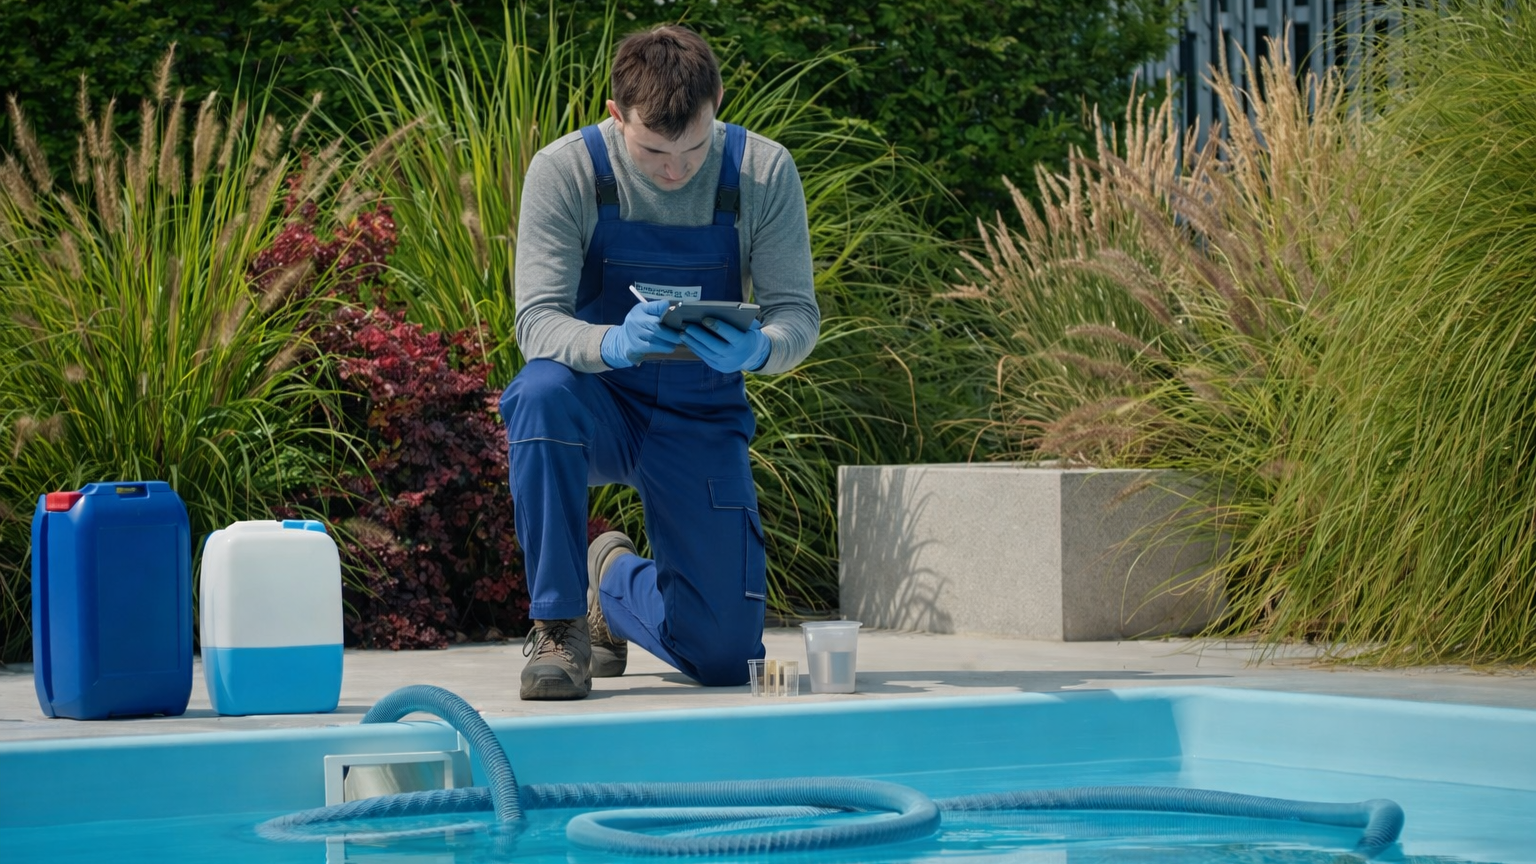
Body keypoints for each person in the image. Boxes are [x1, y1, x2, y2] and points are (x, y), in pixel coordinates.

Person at [499, 24, 820, 700]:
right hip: (597, 403)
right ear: (616, 116)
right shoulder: (566, 170)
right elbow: (537, 322)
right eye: (652, 151)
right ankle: (558, 627)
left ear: (717, 104)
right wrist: (611, 343)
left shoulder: (764, 172)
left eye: (694, 148)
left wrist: (762, 348)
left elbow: (797, 314)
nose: (675, 171)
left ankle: (613, 581)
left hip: (702, 412)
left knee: (725, 659)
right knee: (539, 392)